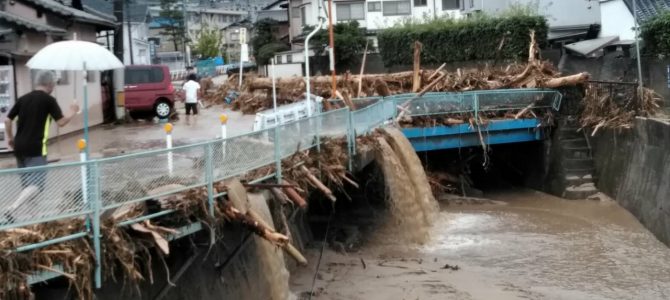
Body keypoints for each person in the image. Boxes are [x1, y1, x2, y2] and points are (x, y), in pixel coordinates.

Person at [4, 70, 79, 188]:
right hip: (36, 149)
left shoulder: (23, 99)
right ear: (49, 84)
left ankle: (28, 206)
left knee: (26, 185)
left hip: (19, 147)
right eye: (54, 84)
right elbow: (61, 122)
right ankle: (14, 206)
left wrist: (10, 138)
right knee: (36, 186)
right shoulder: (49, 100)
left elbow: (7, 120)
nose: (54, 87)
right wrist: (73, 111)